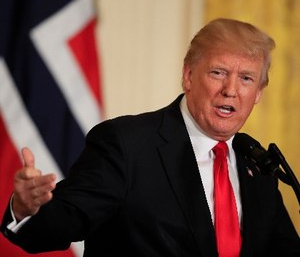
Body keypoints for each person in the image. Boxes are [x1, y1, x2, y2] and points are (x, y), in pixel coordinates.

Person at [1, 18, 299, 257]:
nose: (231, 90)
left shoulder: (256, 163)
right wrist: (27, 210)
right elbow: (67, 221)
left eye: (246, 78)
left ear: (258, 92)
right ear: (188, 75)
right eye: (218, 72)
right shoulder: (127, 144)